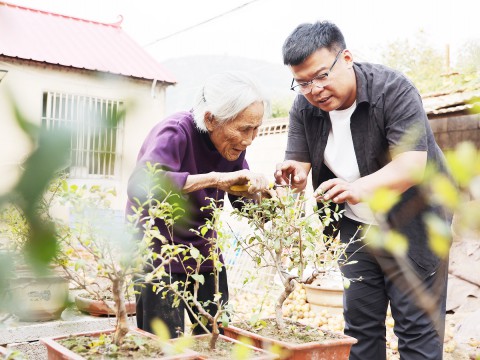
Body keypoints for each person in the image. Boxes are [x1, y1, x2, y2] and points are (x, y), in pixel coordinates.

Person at [275, 21, 452, 360]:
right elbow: (298, 161)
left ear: (346, 58)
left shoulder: (393, 90)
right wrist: (294, 173)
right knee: (359, 328)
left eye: (322, 75)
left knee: (417, 329)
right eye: (303, 83)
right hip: (357, 228)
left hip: (416, 221)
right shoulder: (304, 107)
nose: (315, 89)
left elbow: (411, 165)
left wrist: (357, 188)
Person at [127, 71, 271, 337]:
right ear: (210, 119)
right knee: (163, 343)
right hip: (159, 252)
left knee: (214, 333)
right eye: (244, 129)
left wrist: (267, 196)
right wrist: (215, 179)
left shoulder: (233, 146)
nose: (250, 139)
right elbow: (141, 185)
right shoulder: (175, 131)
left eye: (256, 128)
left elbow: (244, 202)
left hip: (204, 251)